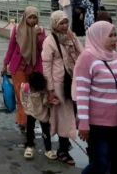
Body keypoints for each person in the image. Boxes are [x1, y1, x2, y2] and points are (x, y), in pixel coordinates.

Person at [73, 21, 117, 173]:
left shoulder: (114, 56)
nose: (114, 39)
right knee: (100, 164)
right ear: (99, 37)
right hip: (97, 125)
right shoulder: (87, 58)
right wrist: (83, 124)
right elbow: (82, 93)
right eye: (109, 36)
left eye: (115, 35)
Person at [42, 11, 83, 165]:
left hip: (74, 81)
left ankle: (65, 145)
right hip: (60, 83)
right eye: (61, 23)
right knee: (64, 116)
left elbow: (82, 54)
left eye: (66, 22)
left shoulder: (72, 37)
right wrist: (50, 89)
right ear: (55, 24)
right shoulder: (50, 41)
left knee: (73, 114)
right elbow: (46, 66)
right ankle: (63, 150)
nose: (65, 26)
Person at [2, 6, 46, 131]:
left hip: (33, 67)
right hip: (18, 67)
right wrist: (5, 64)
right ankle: (23, 120)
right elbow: (11, 47)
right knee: (21, 94)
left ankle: (27, 119)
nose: (32, 20)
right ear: (25, 18)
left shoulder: (40, 31)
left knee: (31, 95)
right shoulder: (17, 29)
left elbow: (43, 49)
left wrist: (39, 37)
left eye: (34, 18)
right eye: (30, 17)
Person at [20, 71, 52, 159]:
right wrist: (26, 108)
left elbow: (46, 101)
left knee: (46, 130)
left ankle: (48, 149)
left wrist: (49, 102)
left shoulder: (43, 90)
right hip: (31, 111)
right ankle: (30, 146)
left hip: (43, 112)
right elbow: (23, 98)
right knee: (30, 129)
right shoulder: (26, 87)